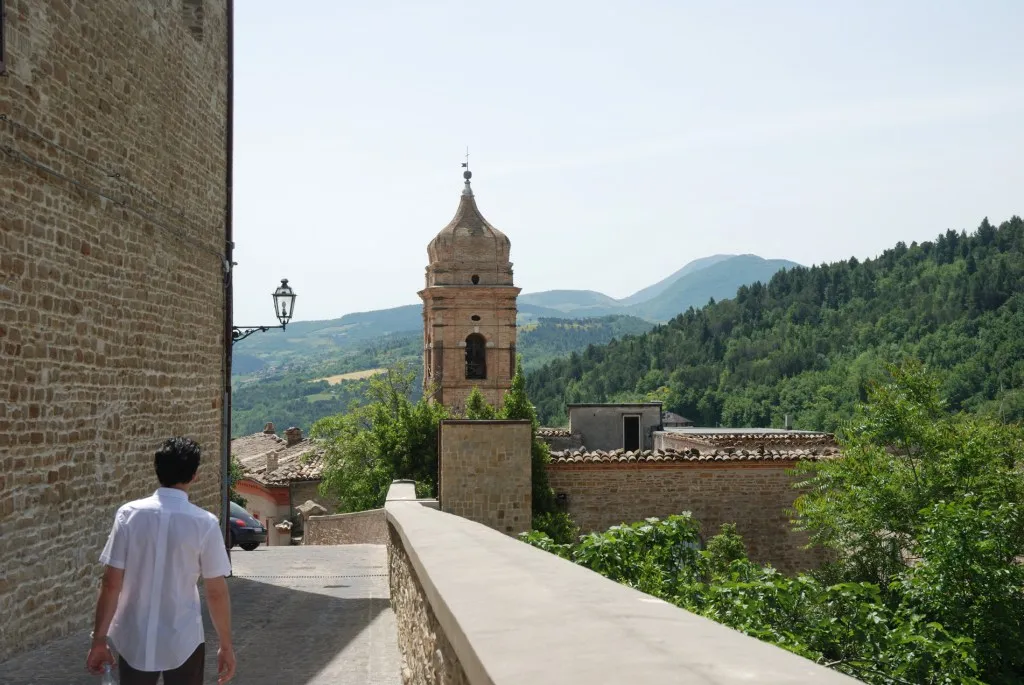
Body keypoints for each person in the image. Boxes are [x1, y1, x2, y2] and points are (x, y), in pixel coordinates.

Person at [85, 437, 237, 684]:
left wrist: (99, 640)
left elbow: (111, 583)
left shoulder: (128, 515)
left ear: (157, 470)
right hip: (183, 638)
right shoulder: (204, 523)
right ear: (194, 475)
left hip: (134, 637)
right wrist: (226, 646)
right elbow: (216, 591)